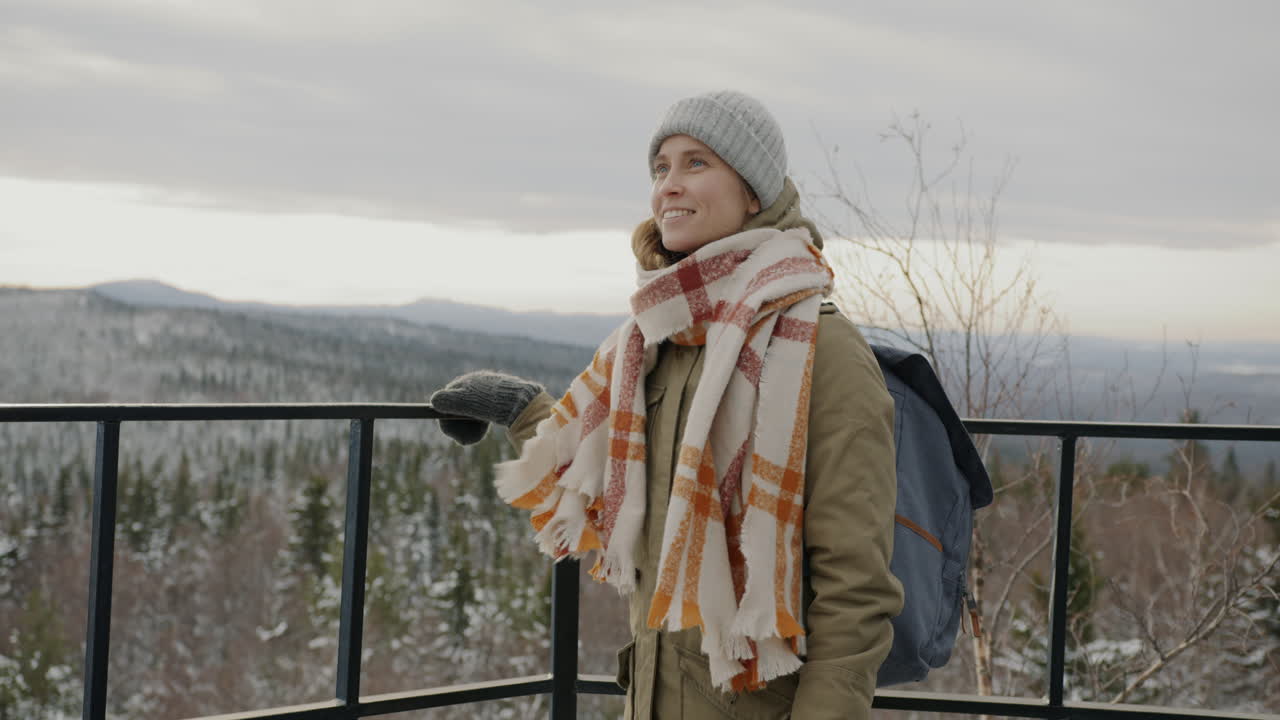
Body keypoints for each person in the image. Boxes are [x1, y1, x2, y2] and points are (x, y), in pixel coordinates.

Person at [431, 90, 904, 720]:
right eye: (661, 168)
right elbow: (608, 476)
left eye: (696, 163)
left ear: (754, 192)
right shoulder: (657, 337)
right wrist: (527, 412)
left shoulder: (822, 350)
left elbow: (856, 590)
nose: (669, 187)